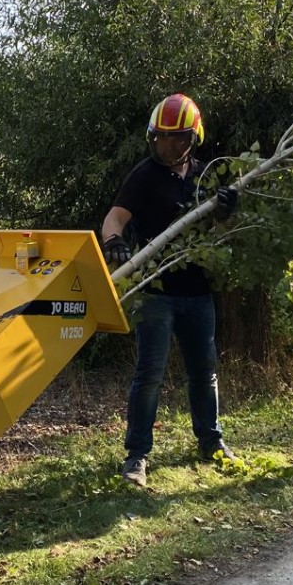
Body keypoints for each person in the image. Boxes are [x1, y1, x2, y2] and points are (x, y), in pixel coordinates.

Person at [101, 93, 238, 488]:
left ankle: (211, 443)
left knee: (204, 371)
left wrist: (227, 211)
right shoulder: (144, 175)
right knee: (150, 375)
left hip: (198, 292)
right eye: (160, 137)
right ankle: (136, 456)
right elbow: (115, 217)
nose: (166, 144)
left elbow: (222, 232)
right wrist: (114, 241)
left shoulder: (205, 176)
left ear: (190, 139)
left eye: (174, 138)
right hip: (155, 293)